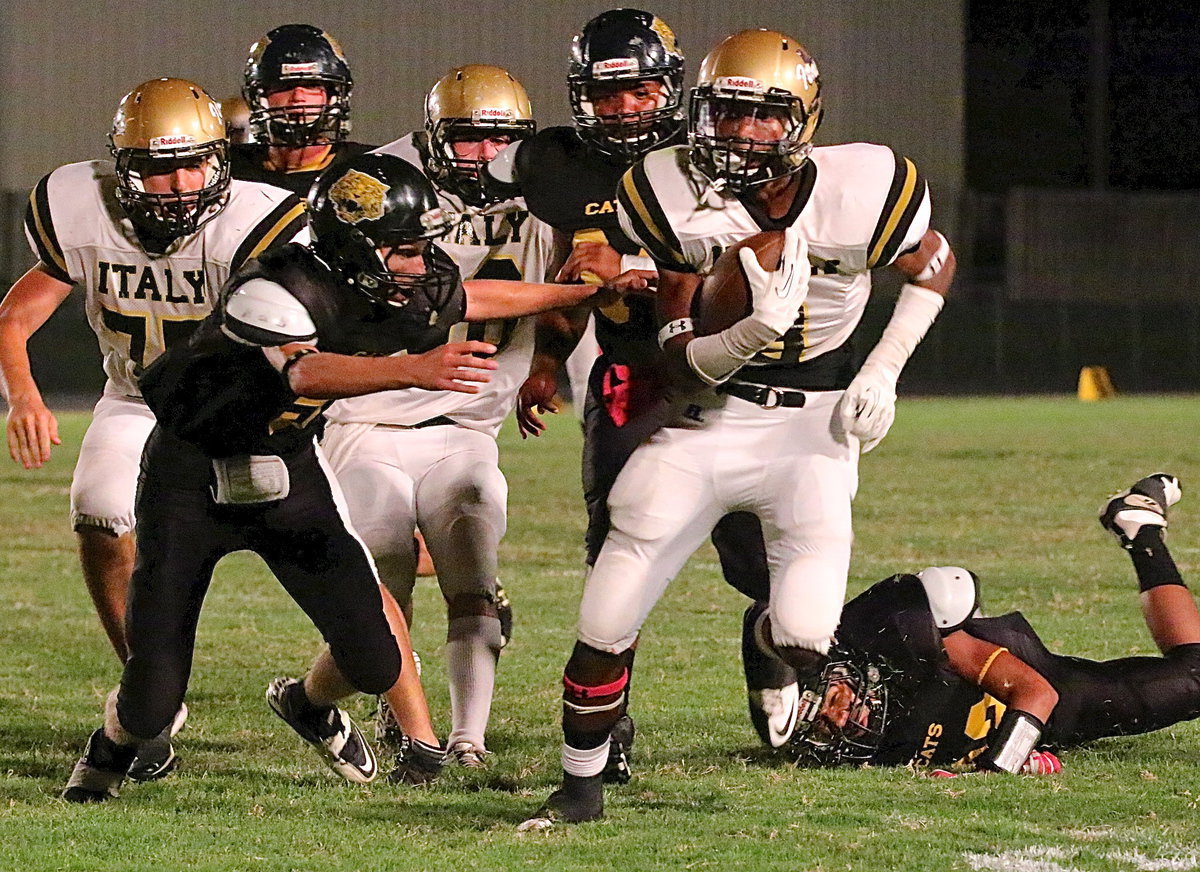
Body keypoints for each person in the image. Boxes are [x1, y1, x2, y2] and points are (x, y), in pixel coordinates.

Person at [59, 154, 622, 803]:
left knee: (375, 659)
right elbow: (305, 371)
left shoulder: (385, 276)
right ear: (356, 247)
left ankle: (307, 703)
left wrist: (580, 295)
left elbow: (469, 297)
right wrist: (414, 369)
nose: (420, 265)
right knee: (153, 695)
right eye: (405, 251)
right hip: (191, 480)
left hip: (288, 474)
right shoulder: (273, 288)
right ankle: (111, 749)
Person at [528, 28, 956, 824]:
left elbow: (932, 262)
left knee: (804, 634)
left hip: (812, 431)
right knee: (607, 608)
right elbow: (679, 356)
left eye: (762, 115)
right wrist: (751, 332)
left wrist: (883, 369)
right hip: (704, 421)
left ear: (802, 119)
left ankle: (766, 642)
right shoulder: (664, 188)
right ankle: (580, 784)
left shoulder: (867, 183)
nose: (740, 132)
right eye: (725, 112)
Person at [491, 7, 783, 785]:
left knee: (764, 553)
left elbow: (769, 263)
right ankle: (607, 722)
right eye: (606, 93)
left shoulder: (718, 156)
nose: (623, 108)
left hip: (735, 382)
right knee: (617, 557)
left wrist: (644, 277)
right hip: (633, 378)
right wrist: (547, 359)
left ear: (671, 89)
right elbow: (570, 274)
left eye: (640, 91)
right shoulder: (565, 169)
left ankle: (776, 654)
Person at [0, 77, 306, 781]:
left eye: (192, 163)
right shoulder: (85, 210)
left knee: (338, 543)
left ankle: (350, 696)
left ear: (219, 159)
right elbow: (13, 317)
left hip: (244, 412)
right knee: (98, 511)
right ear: (123, 168)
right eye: (157, 168)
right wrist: (25, 397)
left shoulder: (256, 221)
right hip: (138, 399)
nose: (178, 184)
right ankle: (150, 701)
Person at [317, 64, 552, 771]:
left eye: (501, 140)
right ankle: (367, 710)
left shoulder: (549, 187)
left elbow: (584, 264)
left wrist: (548, 359)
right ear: (433, 138)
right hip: (367, 417)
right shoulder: (378, 184)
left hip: (467, 425)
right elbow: (457, 296)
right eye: (469, 137)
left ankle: (466, 742)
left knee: (473, 566)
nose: (486, 154)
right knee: (383, 570)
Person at [773, 473, 1200, 775]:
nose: (840, 716)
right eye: (824, 723)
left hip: (1042, 689)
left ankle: (1142, 535)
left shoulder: (902, 641)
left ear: (843, 669)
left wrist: (998, 765)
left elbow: (1036, 693)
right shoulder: (849, 747)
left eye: (833, 698)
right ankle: (1139, 527)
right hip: (1026, 728)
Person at [232, 24, 374, 196]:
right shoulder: (229, 169)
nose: (298, 97)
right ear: (260, 98)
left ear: (332, 96)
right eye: (285, 86)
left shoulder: (370, 168)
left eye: (312, 85)